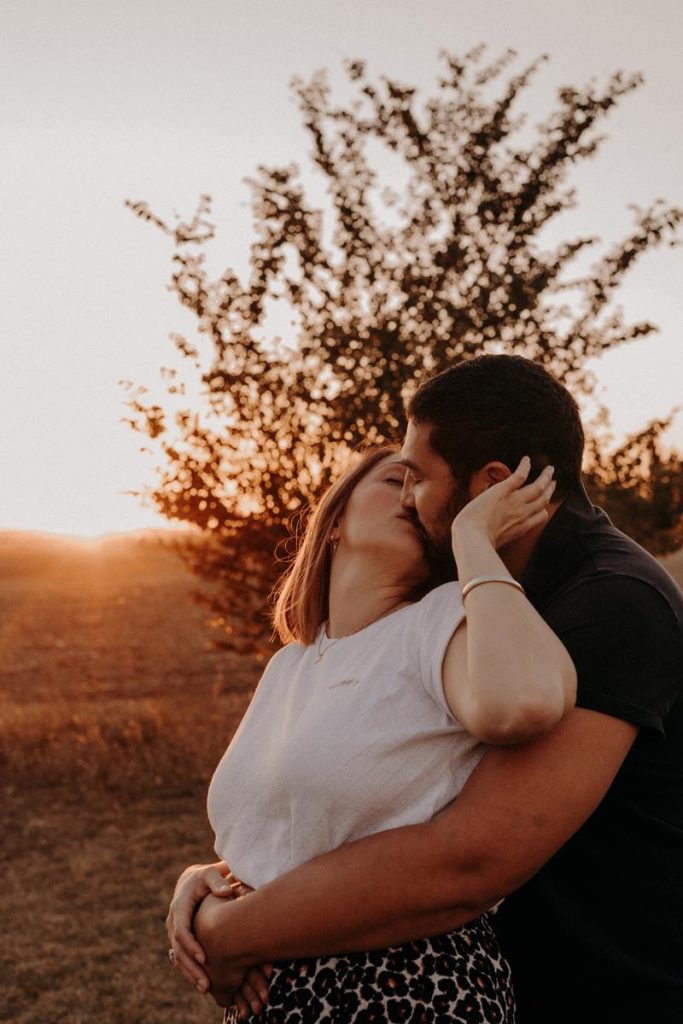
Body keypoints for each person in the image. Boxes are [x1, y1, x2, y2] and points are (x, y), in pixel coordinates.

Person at [168, 355, 683, 1024]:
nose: (408, 498)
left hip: (608, 984)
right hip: (518, 968)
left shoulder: (610, 601)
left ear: (490, 484)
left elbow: (469, 861)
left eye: (415, 478)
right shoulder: (468, 599)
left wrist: (226, 935)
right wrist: (209, 880)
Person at [168, 437, 575, 1023]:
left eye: (424, 487)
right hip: (275, 984)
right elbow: (289, 825)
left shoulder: (438, 623)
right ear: (333, 521)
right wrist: (208, 880)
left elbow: (521, 705)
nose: (413, 496)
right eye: (394, 480)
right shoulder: (292, 664)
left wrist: (474, 542)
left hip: (406, 986)